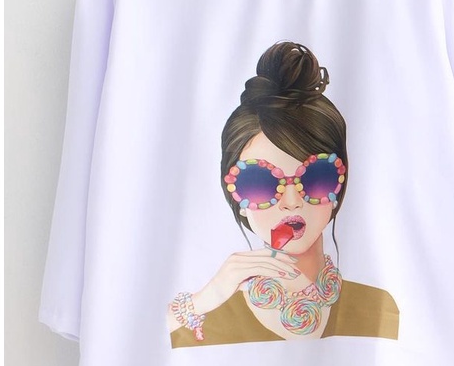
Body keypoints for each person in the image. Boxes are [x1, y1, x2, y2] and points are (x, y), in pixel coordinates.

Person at [167, 40, 399, 346]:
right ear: (235, 194)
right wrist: (206, 298)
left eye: (316, 177)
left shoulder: (376, 309)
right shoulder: (206, 314)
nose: (292, 202)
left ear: (339, 183)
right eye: (260, 182)